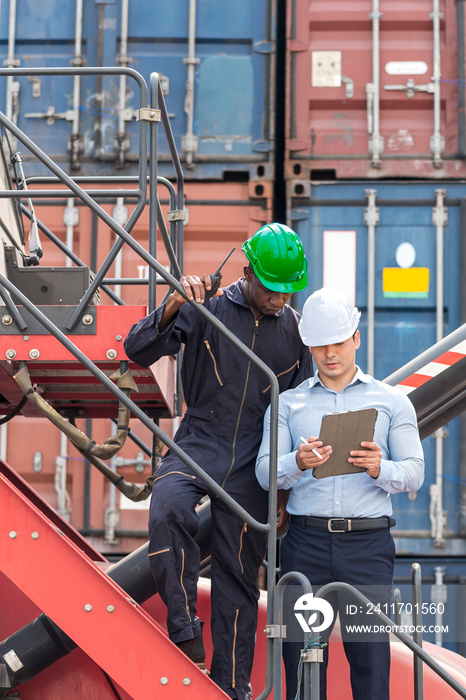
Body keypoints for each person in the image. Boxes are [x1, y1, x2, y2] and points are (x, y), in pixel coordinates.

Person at [124, 223, 313, 700]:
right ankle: (185, 628)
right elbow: (137, 350)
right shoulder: (205, 304)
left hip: (255, 457)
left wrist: (285, 490)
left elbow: (299, 412)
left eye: (291, 289)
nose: (281, 299)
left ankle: (233, 688)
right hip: (200, 438)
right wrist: (172, 304)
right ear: (248, 272)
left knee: (238, 578)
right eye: (273, 288)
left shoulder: (295, 332)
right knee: (167, 506)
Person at [255, 287, 424, 700]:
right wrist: (297, 461)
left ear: (356, 339)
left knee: (371, 666)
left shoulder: (392, 402)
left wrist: (378, 467)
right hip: (305, 545)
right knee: (300, 664)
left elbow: (415, 473)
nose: (330, 353)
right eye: (319, 346)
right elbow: (263, 473)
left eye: (338, 343)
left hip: (367, 547)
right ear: (309, 347)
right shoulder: (287, 404)